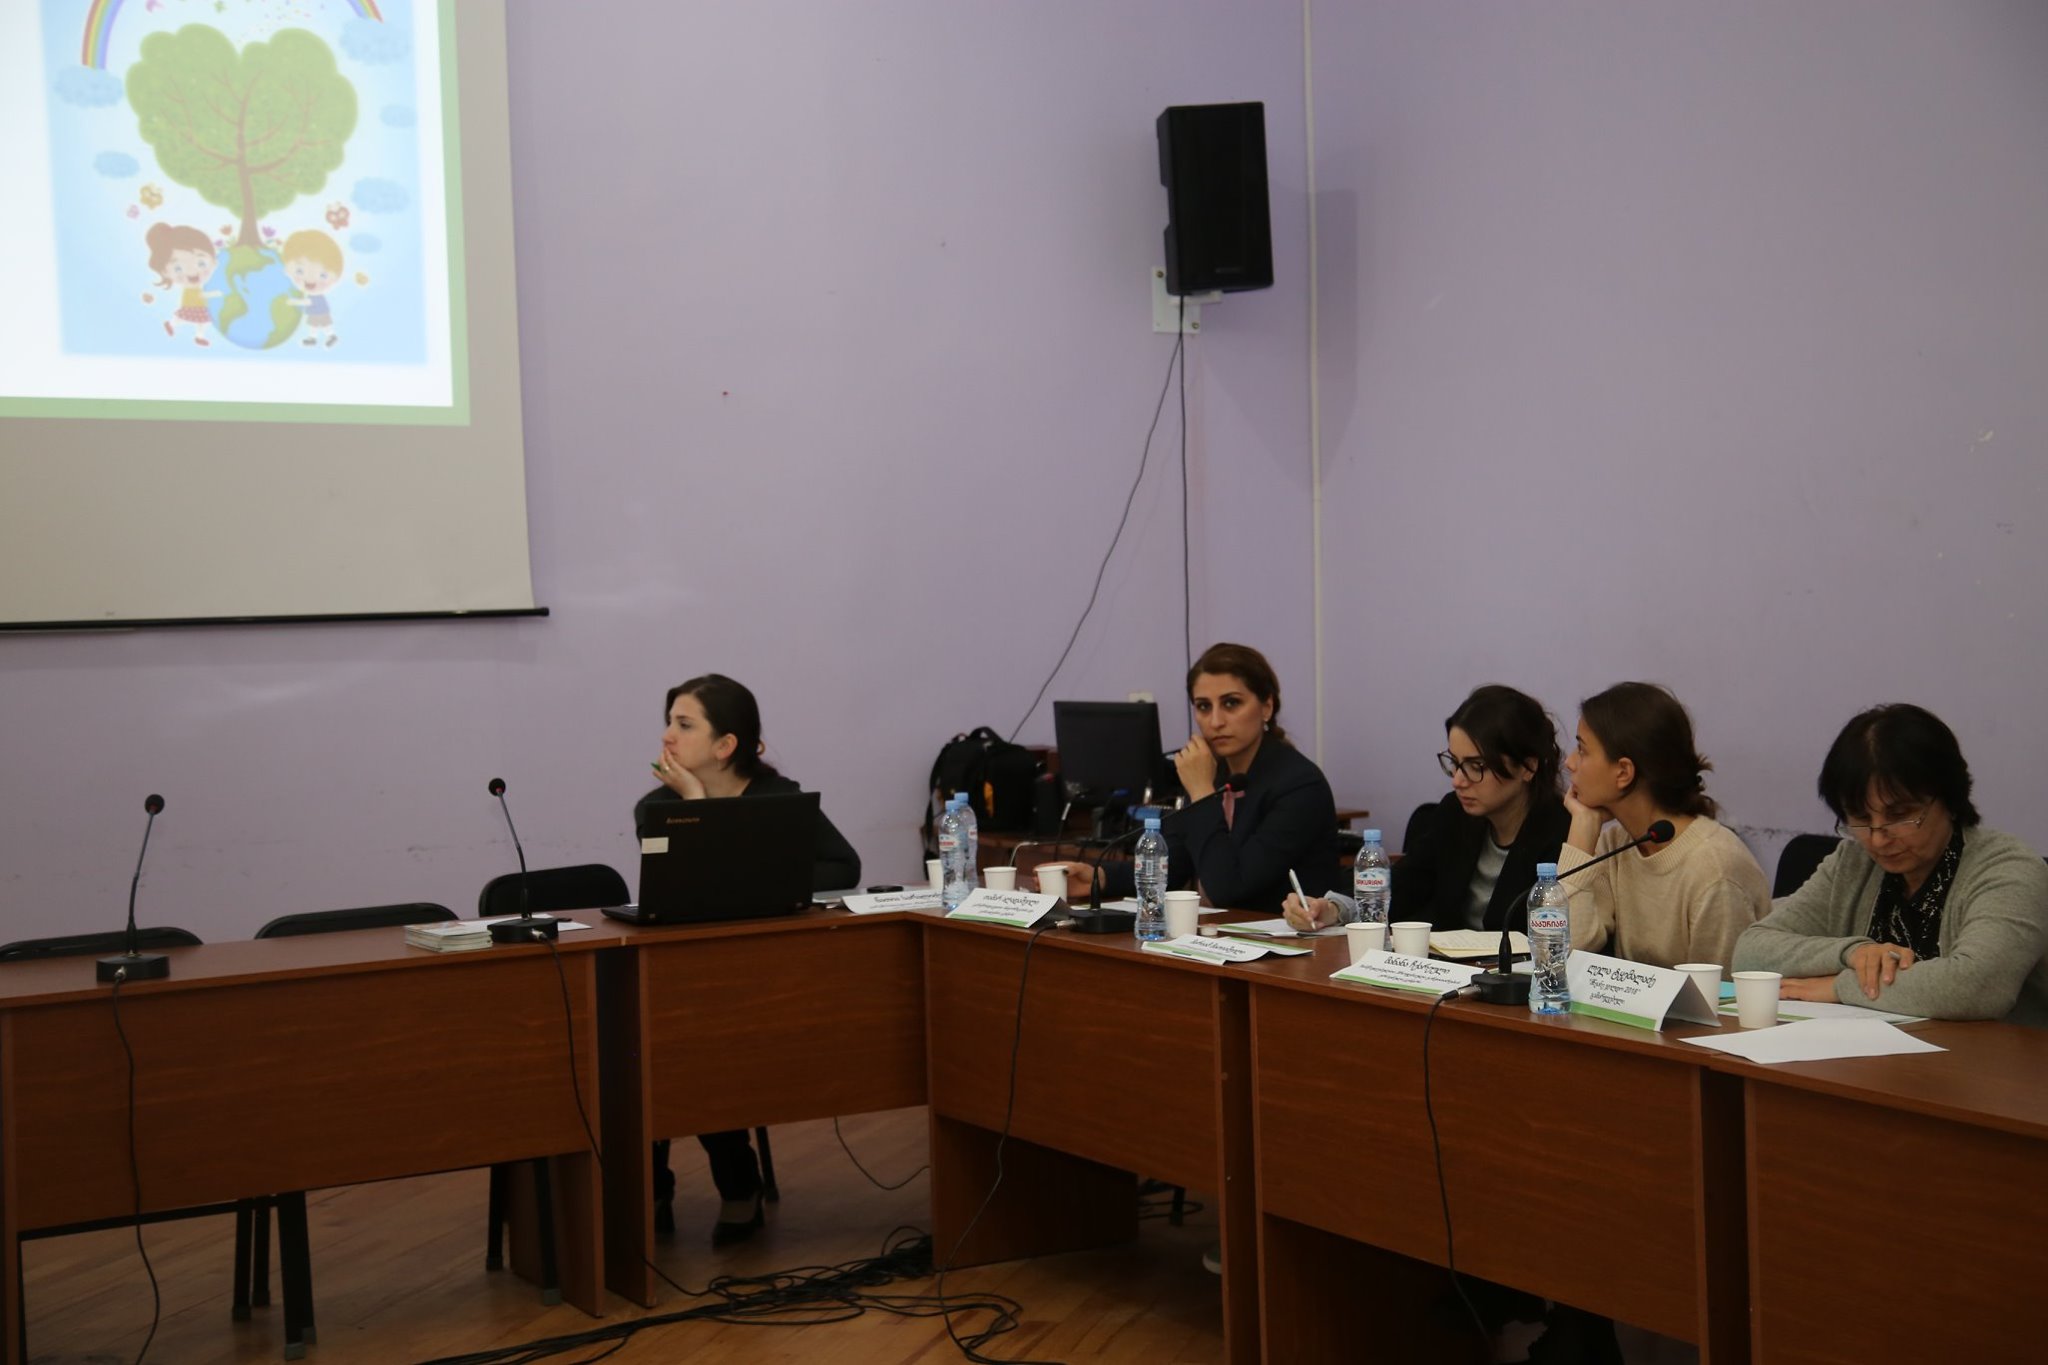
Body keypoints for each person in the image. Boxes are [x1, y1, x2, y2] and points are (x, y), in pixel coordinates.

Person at [636, 673, 861, 1246]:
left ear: (725, 744)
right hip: (683, 978)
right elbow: (687, 887)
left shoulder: (777, 800)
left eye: (684, 724)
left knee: (707, 1049)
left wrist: (709, 818)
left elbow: (843, 867)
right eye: (668, 722)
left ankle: (737, 1184)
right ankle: (654, 1185)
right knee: (658, 1049)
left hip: (766, 978)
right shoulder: (657, 808)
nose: (667, 736)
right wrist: (694, 806)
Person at [1734, 704, 2048, 1024]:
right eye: (1860, 817)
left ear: (1950, 799)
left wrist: (1841, 986)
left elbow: (1978, 986)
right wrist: (1852, 953)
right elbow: (1749, 954)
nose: (1878, 839)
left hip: (1988, 1055)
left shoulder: (2010, 869)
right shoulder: (1854, 862)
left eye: (1899, 816)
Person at [1283, 684, 1570, 933]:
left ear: (1527, 767)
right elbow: (1404, 885)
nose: (1458, 781)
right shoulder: (1454, 814)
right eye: (1454, 763)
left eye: (1476, 767)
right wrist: (1332, 909)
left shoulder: (1562, 832)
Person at [1559, 682, 1768, 970]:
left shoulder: (1714, 867)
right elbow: (1562, 954)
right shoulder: (1617, 842)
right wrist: (1581, 836)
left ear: (1623, 772)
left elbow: (1721, 992)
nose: (1569, 763)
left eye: (1582, 750)